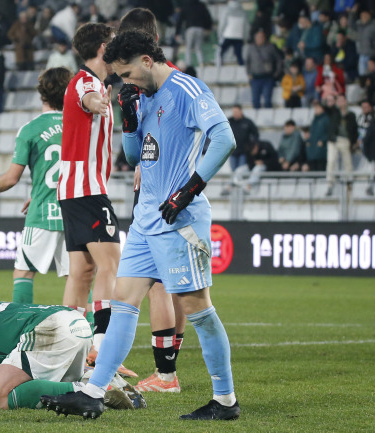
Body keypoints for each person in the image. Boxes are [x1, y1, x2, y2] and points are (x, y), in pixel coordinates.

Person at [41, 30, 239, 421]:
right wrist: (129, 120)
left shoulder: (186, 89)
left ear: (147, 61)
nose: (124, 82)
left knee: (198, 309)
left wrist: (189, 189)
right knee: (123, 304)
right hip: (147, 220)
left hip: (179, 220)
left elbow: (224, 138)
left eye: (128, 73)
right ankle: (93, 391)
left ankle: (226, 401)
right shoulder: (142, 95)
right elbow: (134, 156)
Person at [55, 23, 130, 377]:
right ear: (104, 48)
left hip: (72, 190)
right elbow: (87, 97)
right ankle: (100, 349)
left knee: (82, 270)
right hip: (86, 190)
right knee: (111, 265)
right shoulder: (88, 82)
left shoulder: (87, 82)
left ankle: (66, 348)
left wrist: (99, 100)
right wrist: (97, 102)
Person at [117, 6, 185, 393]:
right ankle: (169, 365)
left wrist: (145, 160)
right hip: (175, 187)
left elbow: (144, 138)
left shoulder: (146, 81)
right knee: (179, 285)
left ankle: (165, 375)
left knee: (156, 283)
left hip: (157, 190)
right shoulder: (175, 75)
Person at [0, 302, 144, 410]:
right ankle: (100, 382)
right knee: (44, 385)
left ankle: (94, 390)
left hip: (49, 329)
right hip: (73, 322)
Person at [0, 67, 71, 303]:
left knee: (24, 273)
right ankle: (86, 334)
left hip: (42, 214)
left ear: (41, 94)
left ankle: (21, 329)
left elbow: (11, 178)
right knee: (78, 277)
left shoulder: (30, 129)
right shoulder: (79, 128)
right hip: (73, 213)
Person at [325, 95, 357, 196]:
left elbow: (354, 130)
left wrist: (353, 141)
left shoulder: (351, 115)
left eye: (342, 100)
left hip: (345, 140)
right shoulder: (334, 112)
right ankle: (330, 183)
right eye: (338, 101)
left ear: (346, 101)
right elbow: (325, 107)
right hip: (333, 140)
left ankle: (349, 181)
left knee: (347, 161)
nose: (340, 102)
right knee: (331, 161)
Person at [246, 29, 283, 109]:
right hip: (255, 78)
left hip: (268, 77)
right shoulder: (251, 48)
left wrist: (276, 73)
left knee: (267, 100)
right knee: (255, 101)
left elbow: (278, 60)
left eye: (261, 37)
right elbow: (248, 62)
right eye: (258, 37)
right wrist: (249, 73)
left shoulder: (270, 47)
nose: (260, 39)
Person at [305, 100, 329, 171]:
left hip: (321, 150)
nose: (315, 109)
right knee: (313, 168)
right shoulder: (314, 120)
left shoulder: (326, 119)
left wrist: (323, 141)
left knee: (320, 168)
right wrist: (308, 141)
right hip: (312, 149)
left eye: (317, 107)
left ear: (322, 108)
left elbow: (329, 132)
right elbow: (312, 133)